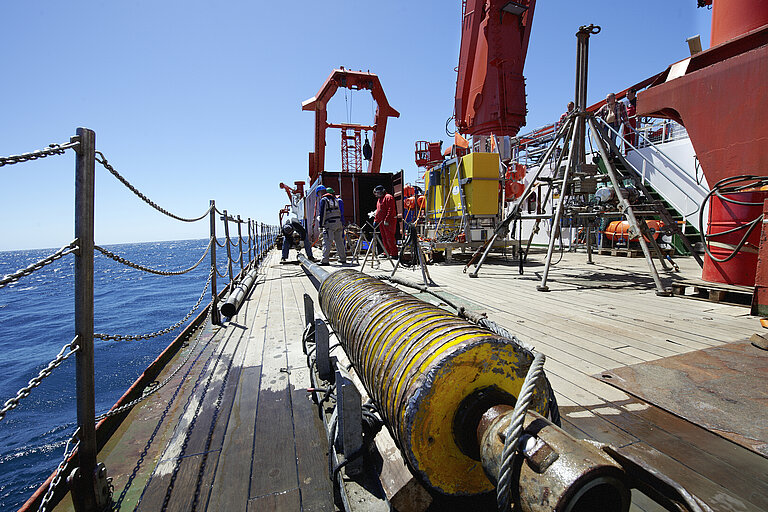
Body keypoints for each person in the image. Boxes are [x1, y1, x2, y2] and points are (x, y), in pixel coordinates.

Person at [318, 187, 346, 265]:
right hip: (338, 223)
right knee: (339, 242)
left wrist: (321, 225)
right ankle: (342, 258)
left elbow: (322, 213)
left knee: (327, 242)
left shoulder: (324, 200)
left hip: (330, 224)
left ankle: (325, 260)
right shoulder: (336, 200)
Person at [373, 185, 397, 258]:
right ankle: (386, 252)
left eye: (377, 193)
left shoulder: (388, 197)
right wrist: (375, 220)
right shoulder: (380, 199)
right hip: (381, 222)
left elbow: (391, 210)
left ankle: (393, 253)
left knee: (389, 237)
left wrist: (387, 219)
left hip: (388, 222)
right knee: (384, 238)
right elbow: (379, 211)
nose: (376, 194)